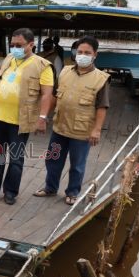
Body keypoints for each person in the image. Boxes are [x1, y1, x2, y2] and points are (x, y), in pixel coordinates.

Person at [0, 28, 55, 205]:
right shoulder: (10, 59)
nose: (14, 48)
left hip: (20, 121)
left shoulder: (43, 66)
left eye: (19, 45)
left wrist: (42, 118)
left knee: (16, 158)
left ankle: (10, 191)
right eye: (12, 45)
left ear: (31, 45)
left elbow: (47, 95)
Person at [34, 36, 109, 205]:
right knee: (53, 159)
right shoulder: (65, 71)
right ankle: (50, 188)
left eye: (87, 53)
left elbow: (102, 107)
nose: (82, 55)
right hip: (60, 127)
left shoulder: (101, 78)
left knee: (77, 164)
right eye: (79, 52)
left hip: (81, 131)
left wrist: (96, 130)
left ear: (95, 55)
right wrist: (43, 117)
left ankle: (72, 192)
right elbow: (54, 96)